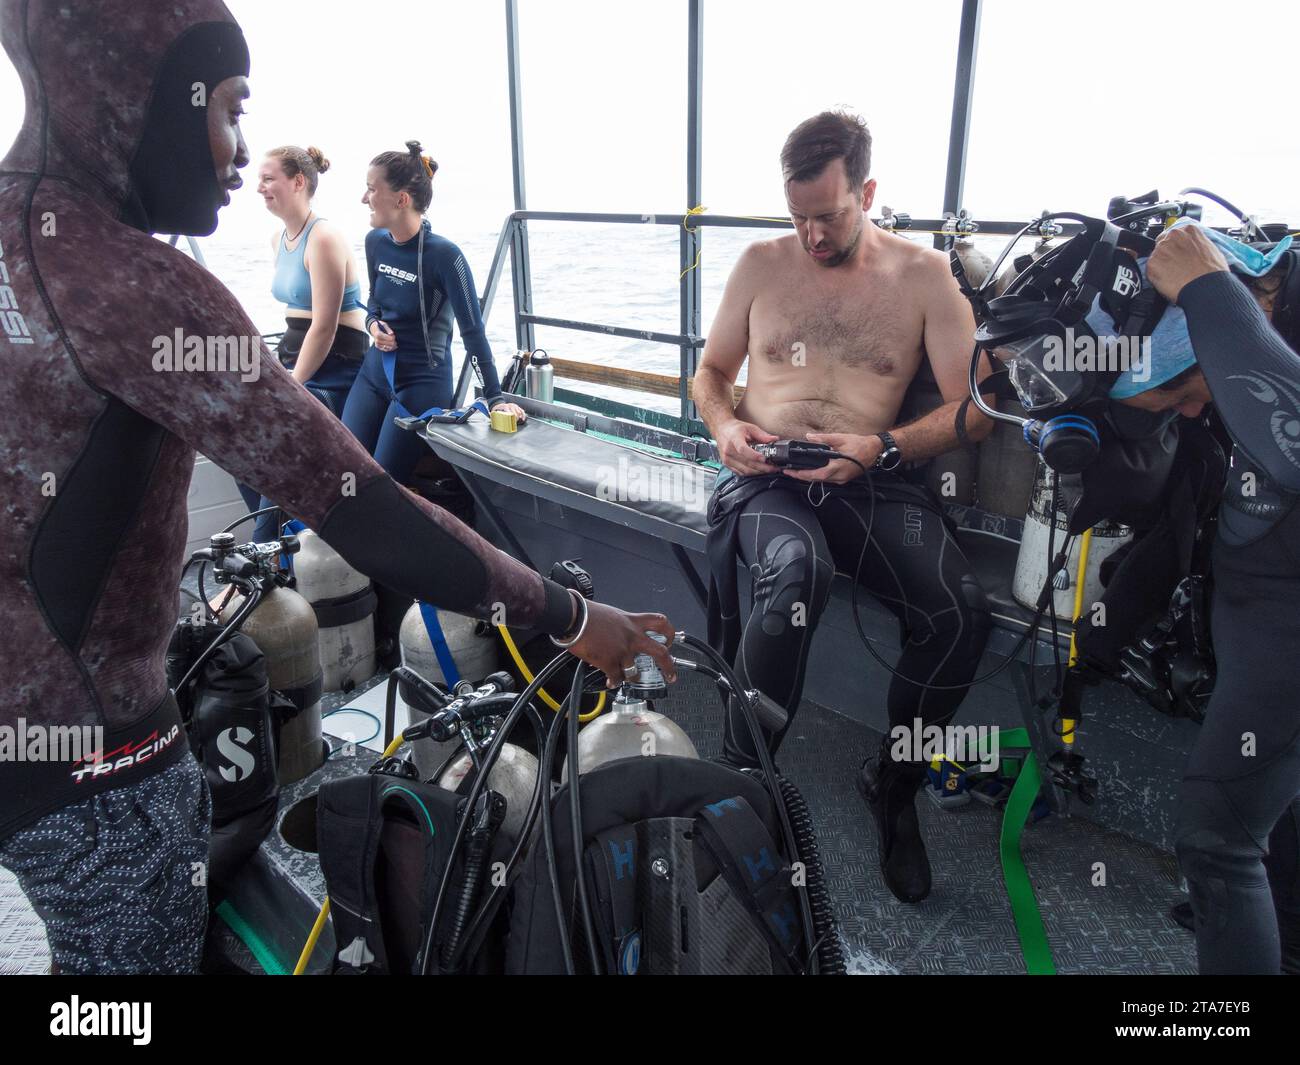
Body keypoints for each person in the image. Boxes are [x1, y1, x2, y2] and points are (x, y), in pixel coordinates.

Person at [0, 0, 675, 976]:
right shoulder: (139, 288)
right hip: (92, 768)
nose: (238, 153)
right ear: (132, 92)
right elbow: (370, 517)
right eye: (228, 109)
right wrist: (571, 615)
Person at [696, 111, 994, 904]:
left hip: (873, 477)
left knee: (962, 614)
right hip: (770, 478)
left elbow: (977, 408)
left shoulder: (926, 278)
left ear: (867, 190)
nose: (813, 237)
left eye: (828, 217)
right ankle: (739, 790)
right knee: (795, 574)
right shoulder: (762, 264)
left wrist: (882, 448)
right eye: (798, 218)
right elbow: (711, 374)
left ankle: (895, 789)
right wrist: (726, 427)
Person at [1113, 222, 1300, 974]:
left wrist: (1206, 288)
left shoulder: (1232, 318)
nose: (1188, 412)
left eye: (1182, 390)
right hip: (1268, 610)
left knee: (1217, 844)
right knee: (1274, 812)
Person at [341, 142, 526, 486]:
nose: (364, 198)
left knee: (379, 486)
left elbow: (473, 332)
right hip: (374, 374)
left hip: (421, 384)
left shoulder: (445, 256)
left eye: (371, 189)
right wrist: (372, 325)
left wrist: (495, 397)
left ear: (401, 199)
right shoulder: (375, 242)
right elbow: (374, 301)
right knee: (342, 468)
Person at [236, 144, 368, 541]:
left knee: (279, 442)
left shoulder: (323, 237)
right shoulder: (279, 239)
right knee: (236, 438)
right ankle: (285, 542)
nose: (259, 187)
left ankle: (264, 556)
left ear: (297, 182)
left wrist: (291, 385)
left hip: (336, 370)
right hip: (295, 362)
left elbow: (324, 328)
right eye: (259, 179)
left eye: (267, 178)